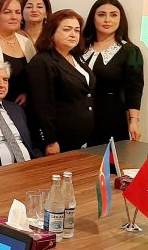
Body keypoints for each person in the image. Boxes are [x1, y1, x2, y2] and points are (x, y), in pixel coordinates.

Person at [27, 9, 97, 154]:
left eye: (77, 30)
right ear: (52, 33)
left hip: (82, 137)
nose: (73, 34)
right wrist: (50, 140)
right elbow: (42, 106)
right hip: (59, 139)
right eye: (67, 29)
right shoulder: (42, 61)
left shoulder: (76, 57)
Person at [82, 0, 144, 144]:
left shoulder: (129, 51)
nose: (107, 20)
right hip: (76, 115)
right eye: (101, 15)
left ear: (121, 19)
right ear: (93, 18)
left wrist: (134, 121)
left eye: (114, 15)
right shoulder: (79, 46)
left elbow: (134, 89)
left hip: (110, 116)